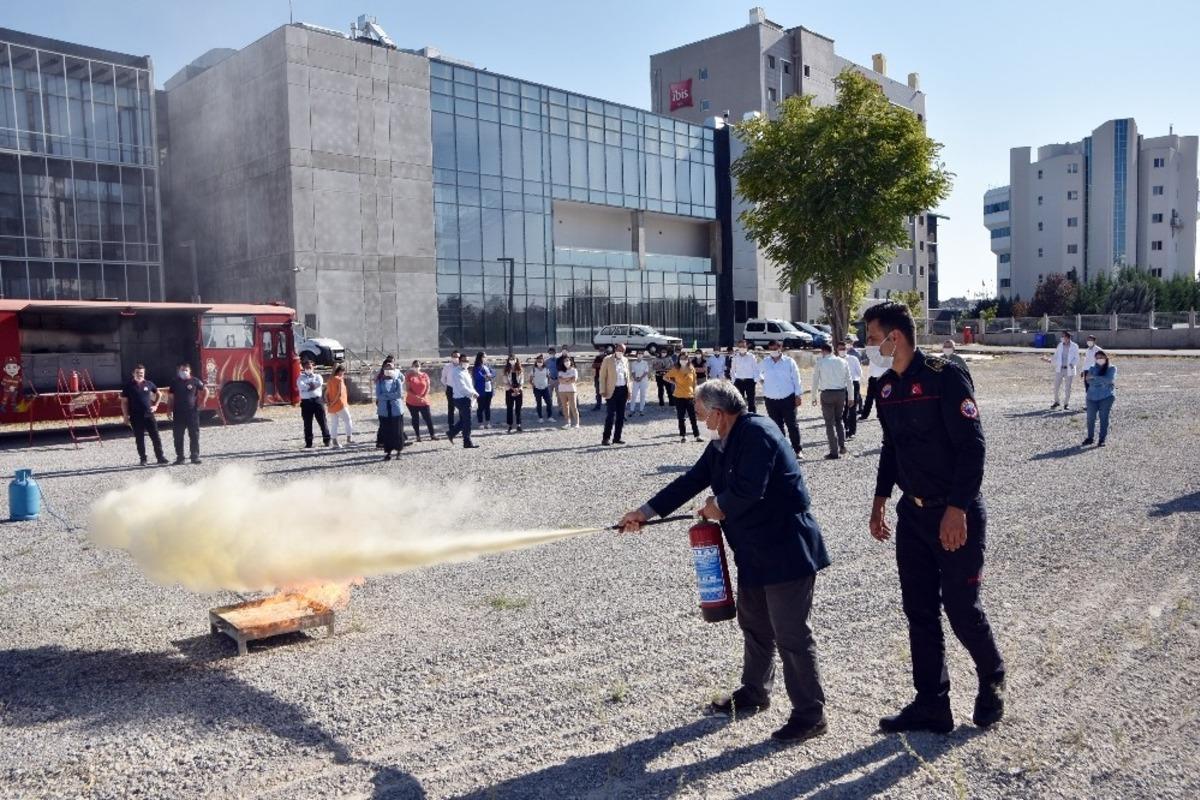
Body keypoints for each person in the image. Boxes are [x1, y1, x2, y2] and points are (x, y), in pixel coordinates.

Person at [618, 380, 831, 743]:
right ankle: (754, 692)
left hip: (786, 550)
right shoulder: (722, 441)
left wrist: (718, 506)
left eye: (701, 414)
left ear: (718, 413)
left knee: (791, 633)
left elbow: (751, 489)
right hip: (753, 552)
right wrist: (644, 512)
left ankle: (810, 714)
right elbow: (692, 480)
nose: (700, 420)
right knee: (755, 625)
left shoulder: (757, 433)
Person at [864, 301, 1005, 734]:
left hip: (955, 512)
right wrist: (880, 498)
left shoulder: (945, 377)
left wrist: (958, 509)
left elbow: (972, 447)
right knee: (919, 610)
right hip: (914, 515)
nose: (868, 348)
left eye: (872, 340)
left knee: (961, 608)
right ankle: (932, 704)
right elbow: (892, 448)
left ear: (896, 337)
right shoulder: (886, 387)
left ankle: (992, 677)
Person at [760, 343, 803, 457]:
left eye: (776, 348)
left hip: (787, 398)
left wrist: (798, 395)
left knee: (792, 425)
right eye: (771, 348)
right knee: (777, 426)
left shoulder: (789, 362)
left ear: (780, 348)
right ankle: (783, 451)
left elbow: (796, 378)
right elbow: (757, 373)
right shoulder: (765, 362)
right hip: (771, 399)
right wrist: (763, 381)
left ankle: (797, 449)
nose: (773, 350)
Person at [120, 364, 167, 466]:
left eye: (141, 373)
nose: (139, 374)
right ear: (133, 373)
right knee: (139, 438)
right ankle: (143, 459)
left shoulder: (149, 384)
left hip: (149, 415)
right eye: (137, 372)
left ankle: (160, 457)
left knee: (155, 437)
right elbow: (124, 402)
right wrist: (125, 416)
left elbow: (159, 394)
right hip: (135, 416)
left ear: (144, 373)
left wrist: (156, 405)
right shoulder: (128, 386)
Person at [811, 343, 850, 459]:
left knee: (829, 423)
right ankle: (842, 445)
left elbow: (815, 381)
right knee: (839, 419)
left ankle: (834, 451)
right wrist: (851, 397)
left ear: (823, 351)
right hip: (841, 393)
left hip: (827, 394)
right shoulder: (843, 361)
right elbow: (849, 380)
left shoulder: (820, 362)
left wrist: (813, 397)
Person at [167, 361, 207, 465]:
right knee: (178, 436)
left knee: (194, 435)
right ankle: (180, 457)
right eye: (182, 370)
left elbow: (205, 390)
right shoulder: (174, 382)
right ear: (178, 371)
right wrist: (168, 410)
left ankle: (195, 456)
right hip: (178, 413)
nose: (184, 372)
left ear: (189, 371)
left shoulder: (195, 381)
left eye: (186, 370)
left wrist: (203, 402)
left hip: (192, 413)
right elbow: (171, 398)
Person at [664, 354, 702, 443]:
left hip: (690, 396)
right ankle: (683, 436)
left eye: (685, 358)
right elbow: (665, 377)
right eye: (681, 358)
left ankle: (697, 436)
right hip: (679, 397)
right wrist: (673, 382)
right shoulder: (676, 369)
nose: (683, 360)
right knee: (681, 417)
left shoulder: (691, 369)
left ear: (688, 359)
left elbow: (694, 382)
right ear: (679, 359)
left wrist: (695, 394)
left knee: (693, 417)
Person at [1082, 349, 1116, 447]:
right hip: (1091, 397)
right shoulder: (1092, 368)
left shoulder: (1112, 368)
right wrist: (1100, 380)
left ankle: (1102, 439)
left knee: (1103, 418)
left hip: (1106, 397)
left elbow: (1109, 379)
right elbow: (1088, 381)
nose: (1099, 359)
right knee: (1090, 418)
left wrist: (1095, 378)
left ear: (1105, 357)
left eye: (1101, 357)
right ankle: (1090, 437)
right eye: (1097, 358)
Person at [599, 343, 631, 445]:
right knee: (610, 415)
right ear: (615, 349)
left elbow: (628, 377)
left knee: (621, 416)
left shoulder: (625, 360)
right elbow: (602, 376)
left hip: (623, 390)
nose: (620, 352)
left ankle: (617, 438)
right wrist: (602, 390)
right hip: (611, 391)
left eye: (623, 350)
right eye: (619, 349)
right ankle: (606, 438)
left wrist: (629, 391)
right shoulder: (607, 360)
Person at [445, 354, 480, 448]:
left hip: (467, 398)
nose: (466, 362)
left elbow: (470, 386)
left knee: (464, 420)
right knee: (467, 421)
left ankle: (451, 433)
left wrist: (474, 393)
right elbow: (462, 387)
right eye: (464, 361)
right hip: (461, 399)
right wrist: (472, 394)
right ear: (460, 361)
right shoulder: (456, 372)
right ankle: (467, 441)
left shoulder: (465, 371)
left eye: (467, 361)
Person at [297, 359, 331, 448]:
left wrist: (308, 386)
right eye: (306, 367)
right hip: (306, 402)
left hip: (317, 401)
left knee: (322, 421)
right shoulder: (300, 378)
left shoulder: (318, 376)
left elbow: (318, 384)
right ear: (304, 368)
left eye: (310, 367)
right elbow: (301, 386)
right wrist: (311, 386)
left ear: (313, 367)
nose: (308, 368)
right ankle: (308, 442)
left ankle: (326, 439)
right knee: (307, 423)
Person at [375, 362, 405, 460]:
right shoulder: (380, 382)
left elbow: (399, 394)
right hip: (384, 410)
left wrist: (386, 396)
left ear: (394, 370)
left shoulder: (397, 381)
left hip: (396, 409)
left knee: (397, 431)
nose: (388, 370)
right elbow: (378, 395)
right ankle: (388, 452)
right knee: (386, 431)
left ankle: (399, 451)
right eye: (386, 368)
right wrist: (390, 396)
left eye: (391, 368)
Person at [405, 360, 437, 442]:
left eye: (418, 365)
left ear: (420, 366)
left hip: (424, 401)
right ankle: (418, 436)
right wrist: (416, 396)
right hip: (412, 402)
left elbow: (428, 386)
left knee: (428, 418)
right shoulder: (409, 376)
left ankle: (432, 435)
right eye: (415, 365)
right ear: (412, 366)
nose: (416, 367)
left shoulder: (425, 375)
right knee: (415, 419)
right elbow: (408, 389)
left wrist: (424, 395)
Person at [1047, 331, 1079, 410]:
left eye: (1063, 336)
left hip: (1069, 369)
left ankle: (1066, 404)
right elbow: (1056, 356)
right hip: (1060, 369)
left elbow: (1077, 357)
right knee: (1056, 386)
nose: (1062, 338)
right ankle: (1056, 401)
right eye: (1062, 336)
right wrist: (1049, 360)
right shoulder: (1060, 345)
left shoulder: (1074, 346)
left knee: (1068, 387)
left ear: (1068, 338)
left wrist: (1072, 364)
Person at [325, 364, 354, 448]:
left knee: (334, 424)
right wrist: (333, 403)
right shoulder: (339, 380)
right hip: (340, 404)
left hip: (332, 406)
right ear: (340, 371)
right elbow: (339, 394)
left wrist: (328, 403)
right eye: (343, 372)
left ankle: (334, 441)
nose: (343, 374)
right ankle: (349, 438)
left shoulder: (330, 380)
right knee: (348, 420)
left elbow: (326, 394)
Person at [839, 341, 862, 440]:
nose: (841, 351)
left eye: (843, 348)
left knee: (852, 410)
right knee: (842, 410)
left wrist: (853, 379)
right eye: (839, 349)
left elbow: (859, 372)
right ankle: (845, 429)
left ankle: (852, 431)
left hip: (853, 384)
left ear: (846, 349)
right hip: (841, 386)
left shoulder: (853, 359)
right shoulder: (835, 361)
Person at [730, 340, 761, 413]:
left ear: (747, 346)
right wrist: (734, 381)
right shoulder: (735, 357)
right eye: (740, 346)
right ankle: (741, 417)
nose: (742, 348)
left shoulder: (751, 357)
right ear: (738, 347)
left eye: (743, 346)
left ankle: (753, 417)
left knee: (751, 401)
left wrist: (755, 381)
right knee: (740, 401)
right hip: (739, 381)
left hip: (749, 381)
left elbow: (756, 369)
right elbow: (732, 370)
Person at [503, 355, 525, 433]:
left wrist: (518, 389)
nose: (512, 360)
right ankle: (510, 425)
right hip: (509, 390)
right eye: (510, 359)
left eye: (513, 359)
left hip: (519, 390)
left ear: (516, 360)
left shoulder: (520, 369)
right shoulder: (506, 370)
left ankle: (518, 424)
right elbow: (505, 381)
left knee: (518, 409)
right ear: (508, 360)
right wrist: (513, 389)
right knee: (509, 408)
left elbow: (522, 381)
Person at [473, 352, 495, 428]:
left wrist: (489, 376)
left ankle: (488, 422)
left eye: (485, 357)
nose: (485, 358)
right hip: (481, 390)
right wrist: (487, 376)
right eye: (483, 357)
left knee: (487, 407)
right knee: (481, 407)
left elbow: (493, 373)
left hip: (489, 389)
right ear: (480, 358)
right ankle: (480, 422)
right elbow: (478, 377)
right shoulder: (476, 367)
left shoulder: (487, 366)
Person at [558, 355, 581, 428]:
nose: (566, 362)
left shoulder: (574, 370)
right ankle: (568, 422)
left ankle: (577, 423)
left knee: (573, 407)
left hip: (571, 390)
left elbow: (574, 379)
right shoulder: (560, 371)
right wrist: (568, 379)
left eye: (568, 360)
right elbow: (560, 380)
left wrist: (565, 380)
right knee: (565, 407)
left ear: (571, 361)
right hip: (562, 391)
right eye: (565, 361)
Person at [440, 351, 461, 429]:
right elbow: (443, 378)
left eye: (458, 357)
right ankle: (451, 426)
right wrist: (448, 385)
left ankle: (461, 425)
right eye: (455, 356)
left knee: (461, 407)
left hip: (460, 389)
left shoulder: (462, 366)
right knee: (451, 407)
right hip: (450, 389)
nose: (456, 358)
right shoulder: (447, 366)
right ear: (451, 357)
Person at [531, 354, 553, 423]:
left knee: (549, 402)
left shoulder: (546, 369)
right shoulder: (534, 369)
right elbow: (530, 379)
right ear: (536, 361)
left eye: (541, 361)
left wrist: (548, 384)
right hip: (537, 389)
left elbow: (549, 377)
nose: (539, 362)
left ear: (543, 361)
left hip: (545, 388)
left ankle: (549, 416)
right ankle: (540, 417)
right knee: (539, 403)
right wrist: (533, 385)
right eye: (538, 361)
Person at [629, 350, 652, 416]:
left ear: (643, 355)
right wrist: (635, 378)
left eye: (641, 353)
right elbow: (632, 372)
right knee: (634, 395)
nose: (640, 355)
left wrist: (641, 378)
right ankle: (632, 410)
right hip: (636, 380)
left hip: (643, 381)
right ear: (637, 355)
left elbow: (646, 372)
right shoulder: (633, 363)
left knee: (643, 395)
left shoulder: (645, 363)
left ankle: (641, 410)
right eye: (639, 353)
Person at [541, 349, 559, 419]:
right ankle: (549, 410)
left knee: (559, 396)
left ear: (555, 353)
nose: (551, 354)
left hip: (557, 380)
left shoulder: (558, 360)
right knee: (549, 397)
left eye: (552, 353)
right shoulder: (546, 361)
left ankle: (561, 410)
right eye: (550, 353)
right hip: (549, 380)